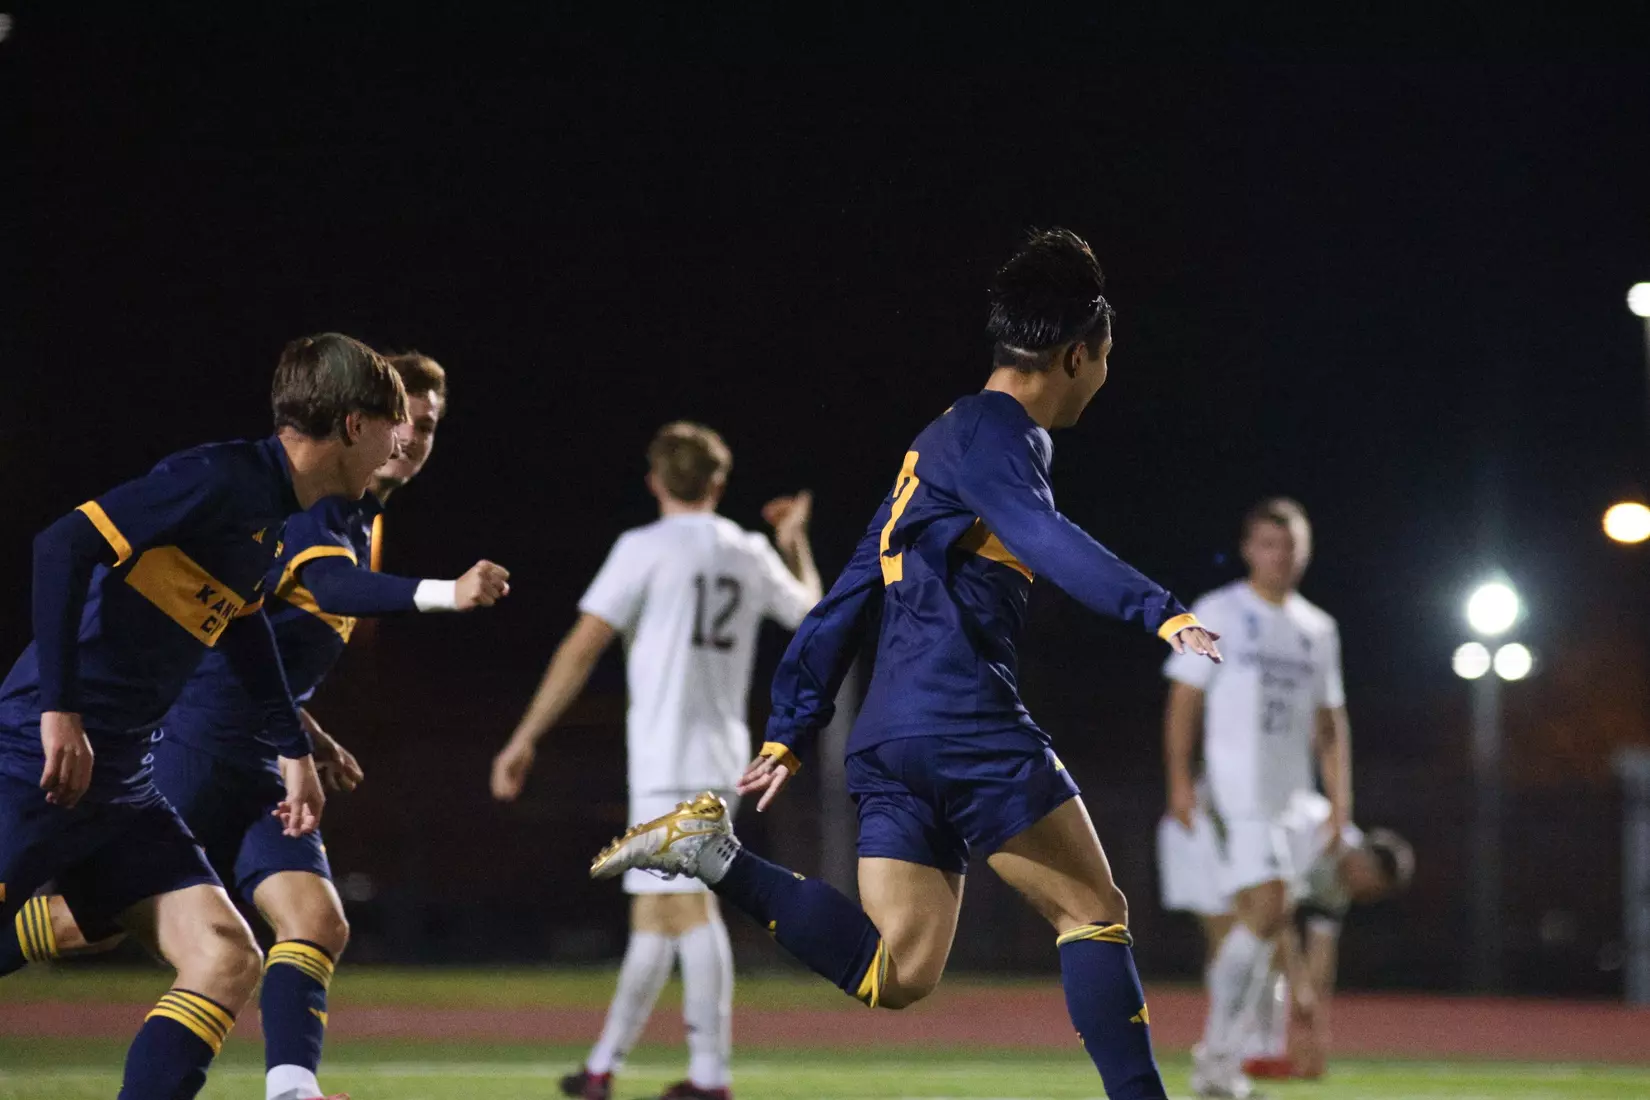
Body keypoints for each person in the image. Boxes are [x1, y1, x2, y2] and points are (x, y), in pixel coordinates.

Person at [590, 229, 1220, 1100]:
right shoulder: (1003, 435)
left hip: (887, 738)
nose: (1107, 374)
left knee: (900, 971)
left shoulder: (935, 443)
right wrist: (1160, 610)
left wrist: (791, 727)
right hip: (964, 720)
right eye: (1108, 357)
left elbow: (848, 591)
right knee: (1094, 912)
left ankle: (714, 856)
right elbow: (1043, 535)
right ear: (1077, 355)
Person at [0, 333, 403, 1099]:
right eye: (391, 424)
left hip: (124, 784)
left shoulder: (273, 516)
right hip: (35, 759)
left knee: (226, 956)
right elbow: (61, 545)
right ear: (355, 425)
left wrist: (294, 748)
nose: (397, 443)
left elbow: (245, 629)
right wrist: (60, 709)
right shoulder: (219, 477)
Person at [492, 421, 820, 1100]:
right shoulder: (748, 548)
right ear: (719, 483)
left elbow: (582, 646)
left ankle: (711, 1077)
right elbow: (813, 615)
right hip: (722, 756)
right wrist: (795, 542)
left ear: (653, 482)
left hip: (669, 756)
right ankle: (602, 1067)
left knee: (686, 913)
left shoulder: (642, 547)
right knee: (654, 917)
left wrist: (525, 736)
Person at [1162, 497, 1351, 1099]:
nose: (1281, 556)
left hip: (1292, 803)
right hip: (1234, 799)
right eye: (1269, 544)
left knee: (1263, 927)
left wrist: (1340, 800)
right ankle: (1219, 1061)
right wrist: (1180, 781)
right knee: (1264, 913)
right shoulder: (1217, 611)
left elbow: (1330, 721)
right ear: (1249, 549)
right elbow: (1185, 702)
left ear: (1306, 551)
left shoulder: (1318, 629)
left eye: (1291, 545)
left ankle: (1223, 1066)